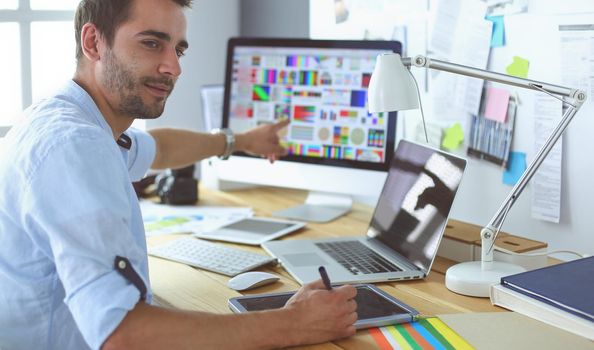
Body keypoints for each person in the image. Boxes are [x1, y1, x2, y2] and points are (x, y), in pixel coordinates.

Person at [0, 0, 358, 349]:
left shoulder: (74, 119)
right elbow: (123, 335)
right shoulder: (75, 146)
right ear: (94, 42)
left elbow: (160, 149)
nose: (173, 67)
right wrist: (294, 323)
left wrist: (241, 140)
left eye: (178, 50)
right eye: (152, 43)